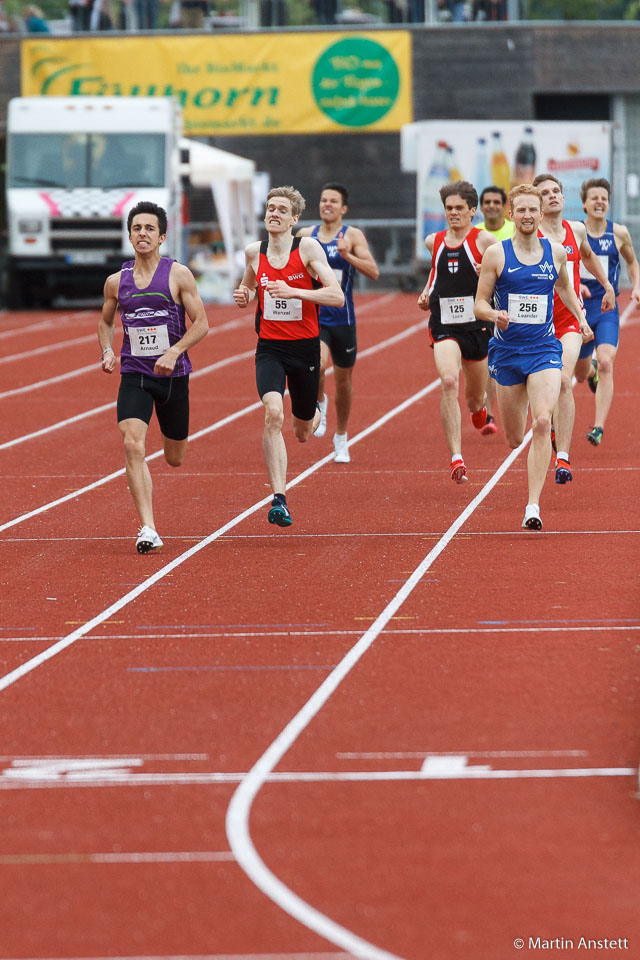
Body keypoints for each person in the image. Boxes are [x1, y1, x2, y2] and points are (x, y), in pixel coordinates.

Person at [475, 184, 589, 531]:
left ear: (541, 214)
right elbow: (479, 304)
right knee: (513, 438)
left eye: (532, 210)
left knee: (542, 422)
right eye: (520, 210)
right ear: (512, 214)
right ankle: (519, 415)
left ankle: (533, 506)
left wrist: (581, 319)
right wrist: (495, 316)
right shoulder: (496, 254)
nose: (527, 216)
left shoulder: (555, 252)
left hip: (543, 349)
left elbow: (565, 287)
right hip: (507, 353)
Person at [98, 201, 209, 554]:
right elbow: (105, 322)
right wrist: (107, 350)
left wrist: (174, 351)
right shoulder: (117, 282)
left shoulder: (178, 275)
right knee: (132, 443)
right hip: (135, 374)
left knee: (174, 457)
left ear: (161, 236)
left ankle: (151, 514)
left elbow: (203, 323)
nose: (142, 234)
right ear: (129, 236)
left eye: (149, 229)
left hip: (174, 376)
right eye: (136, 228)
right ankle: (148, 527)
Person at [233, 186, 344, 528]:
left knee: (303, 432)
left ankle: (315, 409)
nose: (274, 214)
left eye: (282, 209)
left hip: (305, 348)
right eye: (270, 208)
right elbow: (249, 286)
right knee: (272, 412)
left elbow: (336, 296)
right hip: (270, 348)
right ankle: (279, 498)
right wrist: (245, 295)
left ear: (295, 219)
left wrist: (295, 290)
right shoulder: (254, 252)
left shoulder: (306, 248)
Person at [532, 173, 614, 484]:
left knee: (564, 380)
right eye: (545, 193)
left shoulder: (575, 229)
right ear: (535, 202)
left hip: (569, 320)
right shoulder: (529, 236)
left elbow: (589, 257)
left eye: (556, 191)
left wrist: (607, 286)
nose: (552, 196)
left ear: (563, 199)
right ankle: (588, 373)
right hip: (536, 326)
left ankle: (562, 457)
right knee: (560, 383)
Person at [417, 180, 498, 484]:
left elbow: (503, 274)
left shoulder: (485, 242)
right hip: (444, 325)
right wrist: (426, 294)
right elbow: (435, 272)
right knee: (449, 380)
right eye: (448, 208)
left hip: (476, 327)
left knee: (475, 399)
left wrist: (487, 274)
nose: (453, 213)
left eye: (459, 208)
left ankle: (479, 411)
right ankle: (456, 456)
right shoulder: (433, 241)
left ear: (472, 210)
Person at [296, 183, 379, 463]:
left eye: (333, 201)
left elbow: (374, 272)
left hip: (343, 319)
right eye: (323, 200)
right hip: (314, 317)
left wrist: (348, 255)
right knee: (317, 366)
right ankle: (320, 400)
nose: (326, 205)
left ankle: (341, 437)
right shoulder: (306, 236)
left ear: (343, 208)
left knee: (344, 381)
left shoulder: (352, 235)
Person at [574, 177, 640, 446]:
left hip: (606, 307)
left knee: (606, 361)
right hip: (577, 308)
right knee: (578, 375)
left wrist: (636, 286)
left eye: (604, 198)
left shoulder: (619, 233)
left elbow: (632, 262)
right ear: (585, 204)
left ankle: (598, 426)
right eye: (594, 198)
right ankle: (589, 371)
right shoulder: (575, 232)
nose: (600, 202)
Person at [475, 185, 516, 435]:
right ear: (480, 207)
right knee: (488, 358)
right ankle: (489, 413)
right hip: (487, 303)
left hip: (516, 302)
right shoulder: (475, 233)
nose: (491, 206)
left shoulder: (513, 229)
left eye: (496, 202)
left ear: (504, 207)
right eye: (487, 202)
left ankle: (516, 402)